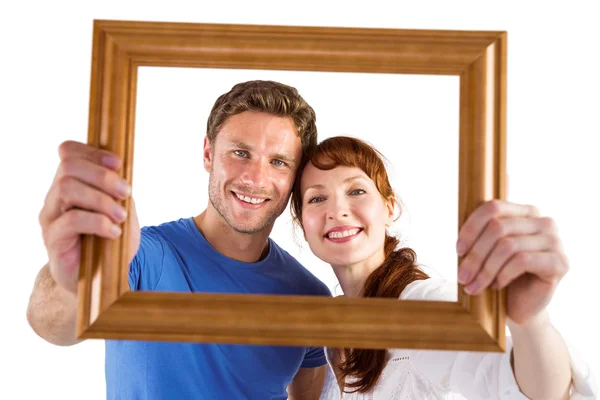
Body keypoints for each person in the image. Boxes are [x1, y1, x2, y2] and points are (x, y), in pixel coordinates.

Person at [26, 80, 332, 400]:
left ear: (295, 176)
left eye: (278, 162)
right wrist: (76, 279)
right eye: (240, 153)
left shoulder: (309, 296)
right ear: (208, 154)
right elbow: (52, 325)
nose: (255, 178)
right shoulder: (145, 256)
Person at [290, 136, 598, 399]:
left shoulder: (423, 303)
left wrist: (530, 322)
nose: (337, 211)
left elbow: (538, 390)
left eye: (356, 191)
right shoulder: (327, 328)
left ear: (389, 208)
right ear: (302, 225)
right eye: (317, 198)